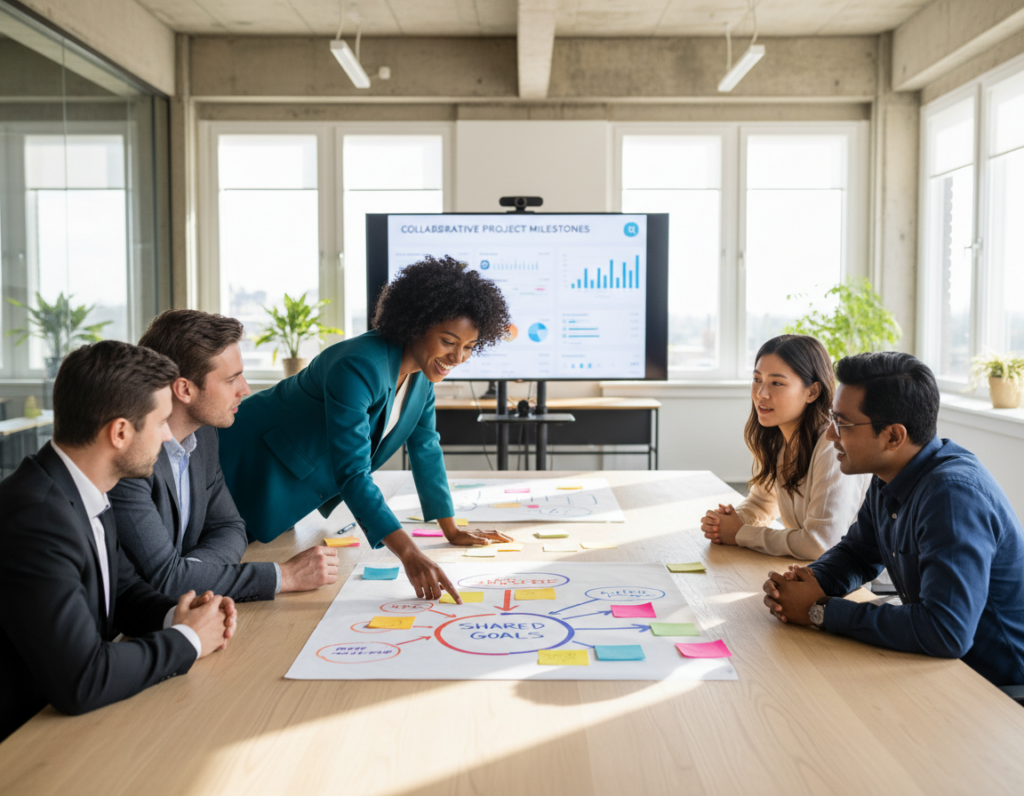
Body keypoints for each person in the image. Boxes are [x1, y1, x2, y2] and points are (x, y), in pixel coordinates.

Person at [219, 256, 513, 603]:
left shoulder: (421, 378)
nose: (457, 357)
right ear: (417, 325)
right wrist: (408, 552)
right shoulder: (358, 365)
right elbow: (353, 473)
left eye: (468, 347)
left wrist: (451, 529)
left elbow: (426, 448)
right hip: (243, 459)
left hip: (288, 472)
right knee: (221, 558)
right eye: (448, 341)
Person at [0, 341, 237, 741]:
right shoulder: (36, 516)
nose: (168, 437)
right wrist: (189, 639)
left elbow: (123, 591)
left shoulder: (86, 487)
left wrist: (180, 613)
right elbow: (82, 677)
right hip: (26, 742)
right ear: (121, 432)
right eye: (161, 422)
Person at [762, 352, 1024, 686]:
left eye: (842, 423)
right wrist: (810, 581)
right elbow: (858, 553)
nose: (830, 435)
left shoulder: (952, 496)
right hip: (939, 670)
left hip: (996, 689)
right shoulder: (890, 474)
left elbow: (946, 631)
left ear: (893, 436)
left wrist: (821, 610)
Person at [109, 310, 337, 602]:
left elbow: (230, 527)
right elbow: (164, 582)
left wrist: (191, 573)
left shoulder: (203, 436)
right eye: (232, 379)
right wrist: (285, 576)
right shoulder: (129, 458)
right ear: (184, 389)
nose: (245, 389)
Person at [701, 335, 870, 560]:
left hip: (851, 584)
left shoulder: (832, 445)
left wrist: (741, 533)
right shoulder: (779, 436)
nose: (761, 393)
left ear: (812, 392)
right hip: (809, 572)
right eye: (757, 379)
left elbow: (821, 544)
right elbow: (762, 503)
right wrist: (731, 522)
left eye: (777, 383)